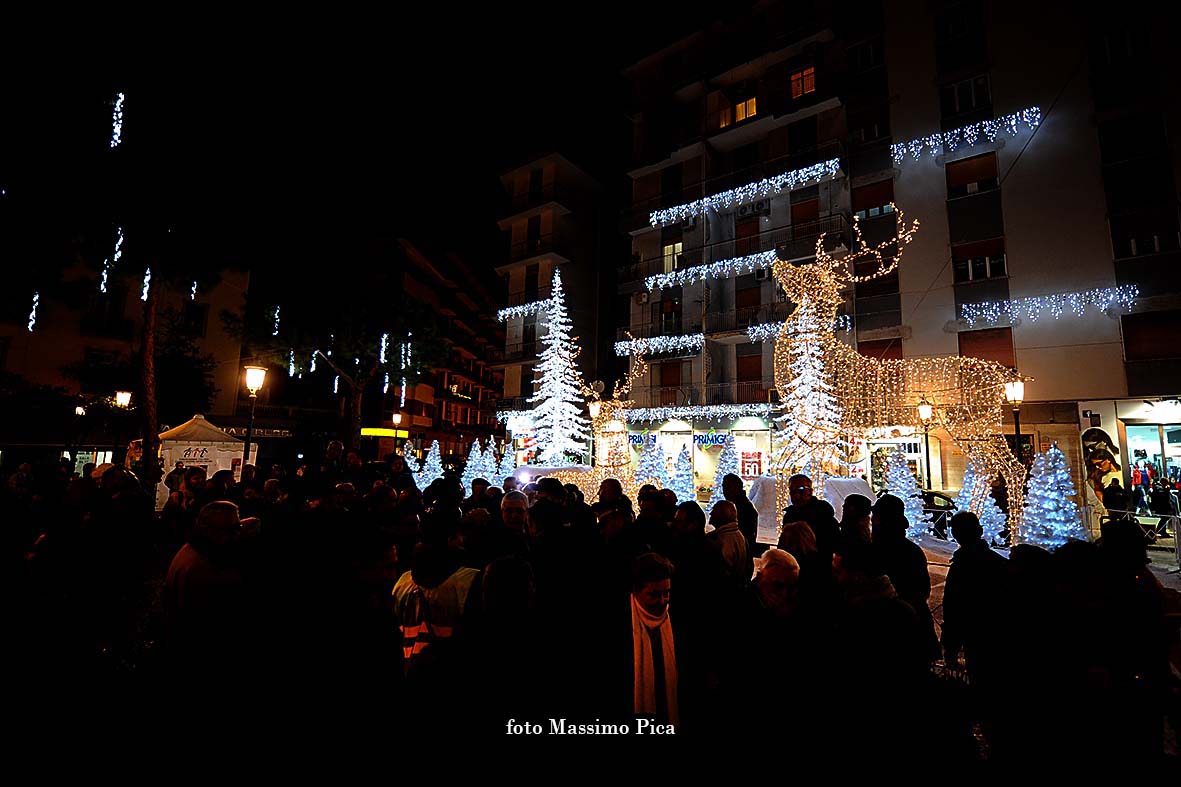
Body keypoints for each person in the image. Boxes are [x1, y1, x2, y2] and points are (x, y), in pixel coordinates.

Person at [871, 494, 938, 664]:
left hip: (892, 626)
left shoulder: (875, 550)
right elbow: (923, 589)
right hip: (914, 625)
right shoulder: (911, 550)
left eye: (875, 518)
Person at [628, 553, 678, 726]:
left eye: (667, 593)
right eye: (654, 594)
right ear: (635, 591)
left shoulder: (675, 620)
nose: (663, 601)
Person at [780, 474, 839, 561]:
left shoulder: (822, 514)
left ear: (810, 491)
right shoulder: (790, 515)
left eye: (801, 490)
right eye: (792, 491)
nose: (796, 495)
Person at [707, 500, 750, 581]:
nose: (710, 513)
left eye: (714, 510)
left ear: (722, 515)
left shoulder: (722, 540)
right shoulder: (739, 535)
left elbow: (721, 573)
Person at [722, 473, 758, 552]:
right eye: (723, 487)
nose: (724, 491)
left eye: (728, 487)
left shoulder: (744, 508)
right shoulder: (733, 506)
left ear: (737, 488)